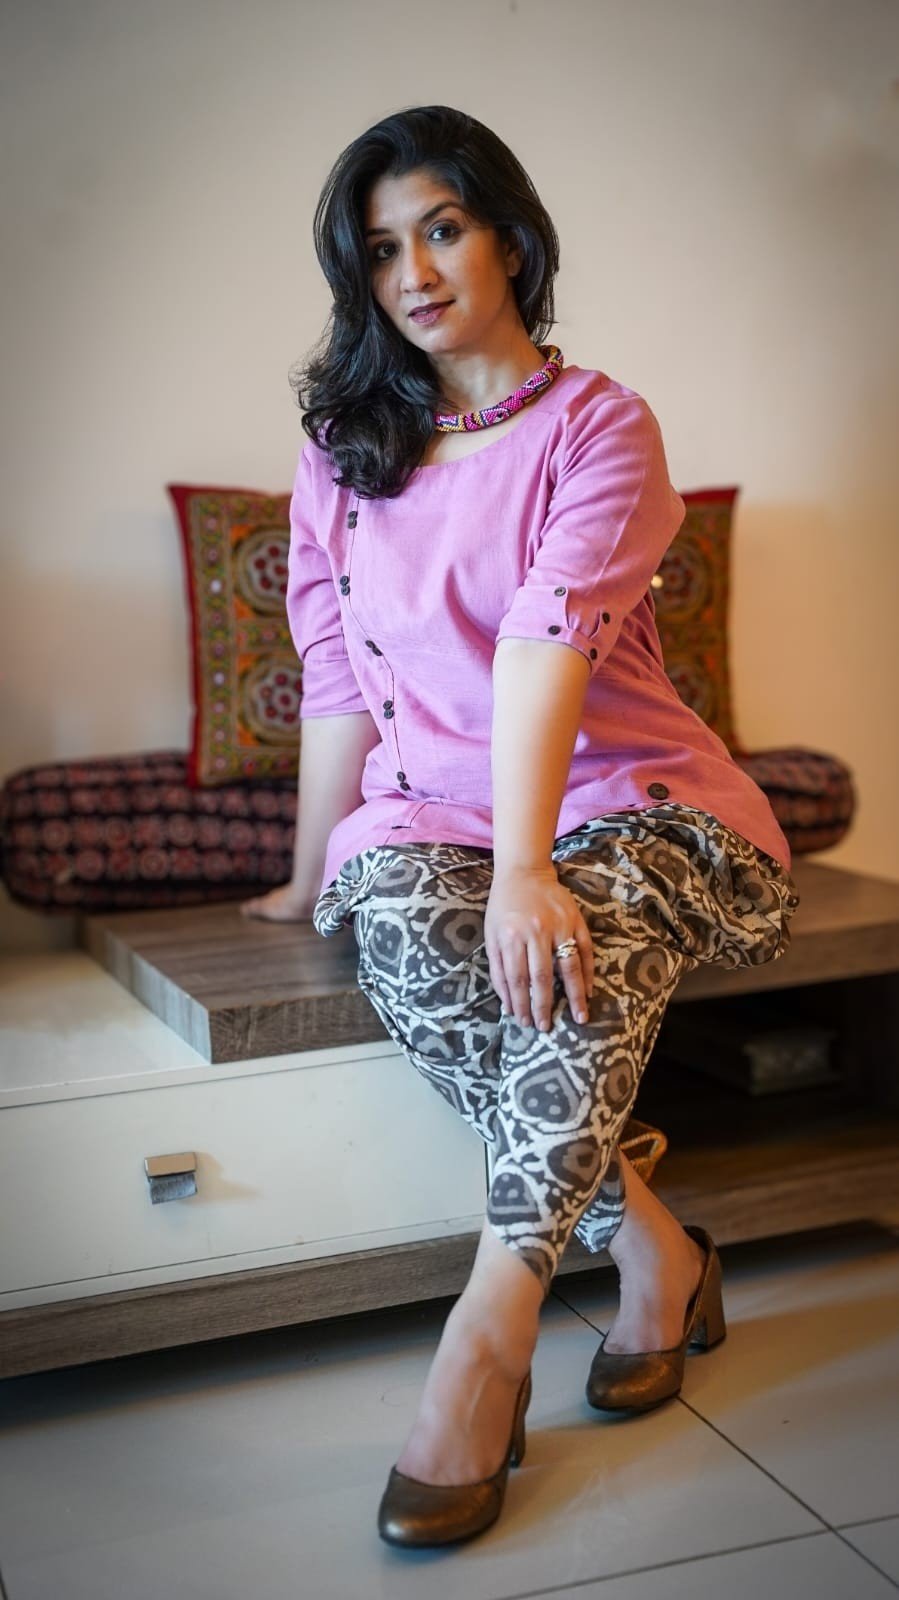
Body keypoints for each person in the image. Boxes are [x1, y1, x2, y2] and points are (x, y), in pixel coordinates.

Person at [242, 104, 801, 1548]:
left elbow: (546, 645)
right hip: (434, 809)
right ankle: (659, 1257)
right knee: (403, 931)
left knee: (575, 945)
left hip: (630, 795)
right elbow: (333, 671)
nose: (416, 273)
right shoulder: (343, 449)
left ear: (508, 236)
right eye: (382, 250)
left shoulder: (602, 424)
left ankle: (485, 1340)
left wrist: (530, 866)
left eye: (442, 229)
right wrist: (309, 870)